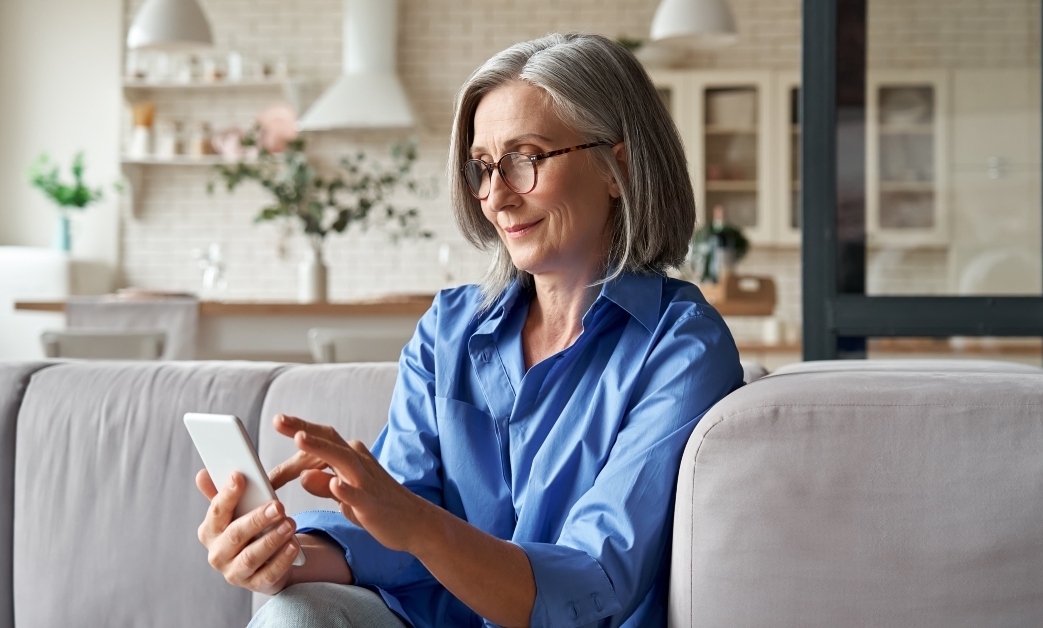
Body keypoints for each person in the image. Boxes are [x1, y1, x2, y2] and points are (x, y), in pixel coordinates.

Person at [194, 33, 743, 628]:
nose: (496, 198)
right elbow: (393, 528)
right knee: (291, 612)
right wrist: (283, 555)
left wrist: (415, 524)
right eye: (483, 168)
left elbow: (594, 582)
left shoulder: (682, 346)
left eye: (525, 158)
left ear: (619, 168)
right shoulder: (449, 329)